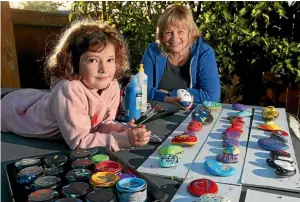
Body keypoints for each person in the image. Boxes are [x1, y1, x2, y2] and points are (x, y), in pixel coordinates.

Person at [1, 20, 151, 151]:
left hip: (36, 100)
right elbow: (79, 142)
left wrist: (122, 130)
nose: (104, 69)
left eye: (110, 60)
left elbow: (101, 125)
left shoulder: (111, 86)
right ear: (74, 62)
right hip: (11, 113)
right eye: (93, 60)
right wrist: (123, 140)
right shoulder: (68, 88)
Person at [142, 5, 220, 108]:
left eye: (180, 32)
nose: (175, 38)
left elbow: (212, 96)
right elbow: (142, 89)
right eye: (169, 32)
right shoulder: (153, 51)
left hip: (194, 114)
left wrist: (171, 93)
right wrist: (166, 99)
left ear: (190, 32)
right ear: (161, 35)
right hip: (159, 111)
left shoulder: (204, 53)